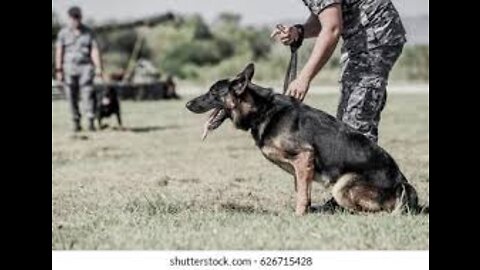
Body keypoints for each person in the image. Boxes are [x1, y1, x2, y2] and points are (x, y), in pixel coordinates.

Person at [271, 0, 406, 143]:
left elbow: (332, 28)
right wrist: (299, 31)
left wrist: (303, 78)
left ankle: (362, 162)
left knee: (354, 129)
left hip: (374, 39)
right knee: (350, 126)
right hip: (367, 39)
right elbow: (325, 17)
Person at [55, 6, 105, 132]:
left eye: (77, 18)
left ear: (80, 18)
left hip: (85, 67)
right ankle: (75, 120)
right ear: (69, 19)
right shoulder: (63, 33)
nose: (75, 21)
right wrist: (59, 70)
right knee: (71, 95)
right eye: (73, 18)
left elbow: (94, 50)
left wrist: (98, 67)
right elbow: (59, 51)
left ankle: (90, 120)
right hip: (69, 68)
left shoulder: (88, 32)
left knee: (87, 93)